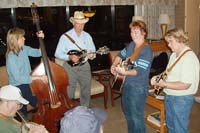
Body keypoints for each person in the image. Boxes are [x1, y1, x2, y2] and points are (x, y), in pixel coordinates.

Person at [151, 28, 200, 133]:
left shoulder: (189, 58)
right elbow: (168, 72)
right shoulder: (174, 54)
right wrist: (157, 77)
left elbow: (185, 85)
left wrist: (164, 84)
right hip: (170, 96)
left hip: (181, 99)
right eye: (168, 42)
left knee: (179, 129)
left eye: (170, 41)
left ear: (180, 39)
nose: (168, 45)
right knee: (171, 126)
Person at [110, 20, 153, 133]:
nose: (133, 34)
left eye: (136, 32)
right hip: (127, 84)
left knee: (137, 117)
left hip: (138, 87)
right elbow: (120, 55)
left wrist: (124, 73)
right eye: (131, 31)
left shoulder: (146, 50)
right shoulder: (131, 45)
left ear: (144, 33)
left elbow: (139, 71)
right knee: (128, 113)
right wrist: (114, 65)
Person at [54, 11, 96, 107]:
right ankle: (69, 109)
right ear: (73, 23)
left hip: (84, 66)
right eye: (78, 24)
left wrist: (92, 55)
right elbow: (57, 53)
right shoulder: (65, 37)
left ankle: (84, 108)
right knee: (69, 89)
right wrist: (69, 57)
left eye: (82, 24)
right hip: (69, 67)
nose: (80, 26)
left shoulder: (87, 36)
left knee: (86, 89)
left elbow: (93, 51)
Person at [6, 27, 45, 117]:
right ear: (16, 40)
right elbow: (18, 78)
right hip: (17, 86)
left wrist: (41, 39)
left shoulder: (24, 49)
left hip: (26, 83)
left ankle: (41, 112)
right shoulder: (11, 58)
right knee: (24, 107)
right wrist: (38, 78)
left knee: (33, 99)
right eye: (22, 37)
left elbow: (39, 53)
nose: (24, 38)